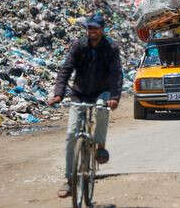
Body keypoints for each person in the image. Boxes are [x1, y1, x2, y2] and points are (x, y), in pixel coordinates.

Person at [48, 14, 123, 198]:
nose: (92, 31)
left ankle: (100, 147)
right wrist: (58, 93)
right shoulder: (79, 46)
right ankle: (68, 180)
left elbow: (116, 74)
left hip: (102, 91)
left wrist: (114, 97)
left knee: (101, 109)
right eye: (89, 28)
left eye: (95, 28)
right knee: (71, 135)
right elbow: (66, 69)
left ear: (102, 29)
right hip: (79, 92)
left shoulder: (111, 48)